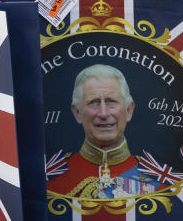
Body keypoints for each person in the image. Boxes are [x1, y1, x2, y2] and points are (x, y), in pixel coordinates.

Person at [46, 64, 161, 199]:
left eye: (111, 102)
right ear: (77, 112)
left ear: (129, 110)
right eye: (93, 102)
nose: (103, 113)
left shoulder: (160, 181)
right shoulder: (47, 181)